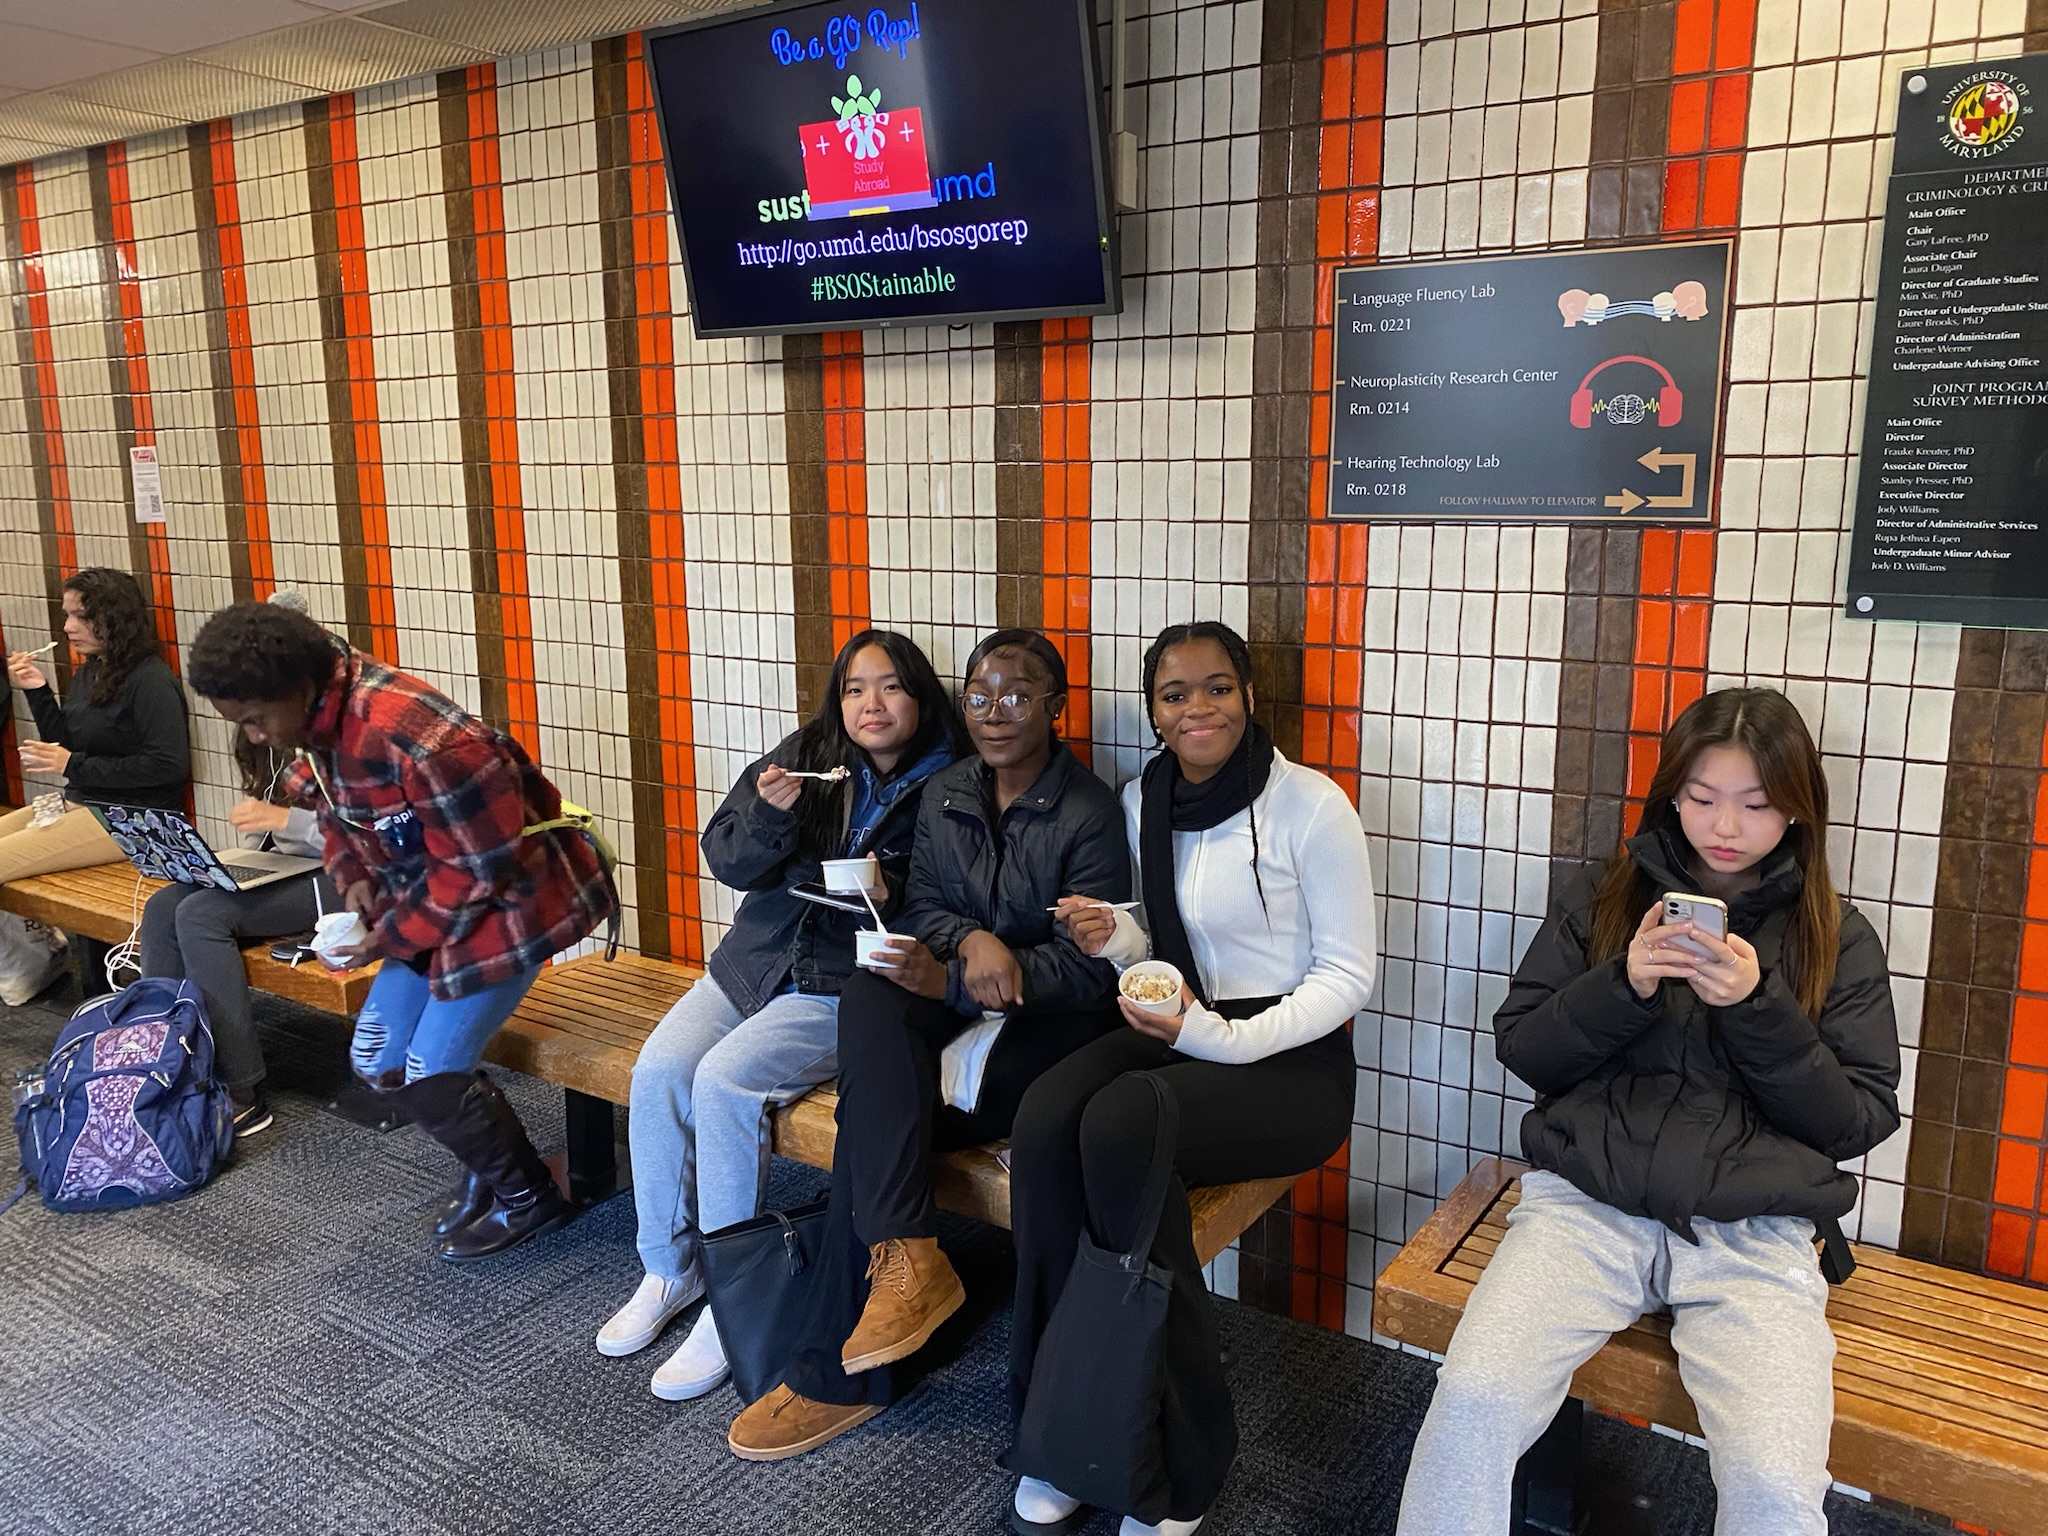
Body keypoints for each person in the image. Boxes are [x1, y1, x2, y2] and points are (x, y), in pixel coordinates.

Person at [1396, 687, 1902, 1536]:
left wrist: (1757, 1006)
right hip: (1587, 1208)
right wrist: (1624, 983)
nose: (1725, 826)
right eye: (1702, 798)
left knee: (1778, 1484)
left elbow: (1857, 1121)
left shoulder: (1837, 937)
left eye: (1756, 803)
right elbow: (1525, 1048)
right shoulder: (1606, 897)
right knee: (1473, 1401)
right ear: (1671, 793)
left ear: (1798, 811)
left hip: (1754, 1235)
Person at [1007, 621, 1378, 1536]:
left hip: (1293, 1064)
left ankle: (1183, 1459)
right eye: (1176, 695)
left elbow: (1347, 978)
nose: (1198, 707)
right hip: (1184, 1023)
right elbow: (1158, 943)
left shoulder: (1312, 807)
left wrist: (1218, 1038)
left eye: (1217, 687)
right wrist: (1114, 936)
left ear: (1249, 697)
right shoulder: (1144, 801)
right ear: (1156, 714)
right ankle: (1069, 1420)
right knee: (1049, 1113)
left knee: (1123, 1125)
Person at [725, 628, 1129, 1462]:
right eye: (978, 696)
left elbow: (1097, 965)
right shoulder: (948, 792)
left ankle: (840, 1369)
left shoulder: (1090, 810)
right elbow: (927, 910)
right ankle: (907, 1259)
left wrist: (1002, 959)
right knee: (873, 993)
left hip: (1052, 1028)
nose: (993, 712)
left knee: (875, 1125)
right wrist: (970, 941)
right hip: (962, 995)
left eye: (1017, 696)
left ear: (1057, 708)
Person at [184, 601, 620, 1261]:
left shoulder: (421, 739)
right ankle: (490, 1161)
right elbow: (334, 818)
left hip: (511, 904)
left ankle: (530, 1197)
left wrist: (387, 937)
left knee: (427, 1069)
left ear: (300, 689)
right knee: (378, 1061)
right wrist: (357, 885)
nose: (253, 738)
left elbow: (477, 869)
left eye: (254, 720)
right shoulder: (317, 716)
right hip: (433, 903)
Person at [599, 628, 965, 1399]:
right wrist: (769, 816)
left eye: (891, 686)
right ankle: (670, 1269)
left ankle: (734, 1303)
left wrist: (892, 894)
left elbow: (961, 903)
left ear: (920, 696)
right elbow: (726, 855)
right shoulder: (810, 753)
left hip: (840, 986)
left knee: (725, 1082)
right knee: (661, 1068)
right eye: (855, 687)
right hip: (754, 961)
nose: (872, 703)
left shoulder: (952, 782)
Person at [139, 731, 341, 1137]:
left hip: (347, 877)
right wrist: (234, 864)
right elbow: (266, 831)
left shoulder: (339, 737)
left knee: (201, 915)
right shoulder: (263, 737)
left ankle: (241, 1090)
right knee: (162, 908)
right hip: (288, 867)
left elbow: (370, 837)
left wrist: (288, 820)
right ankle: (158, 1059)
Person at [0, 567, 190, 880]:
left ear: (114, 619)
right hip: (82, 803)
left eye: (81, 616)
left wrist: (73, 765)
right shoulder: (93, 670)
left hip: (135, 819)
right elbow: (67, 745)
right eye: (67, 615)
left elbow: (168, 765)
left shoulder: (150, 680)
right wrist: (38, 691)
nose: (68, 627)